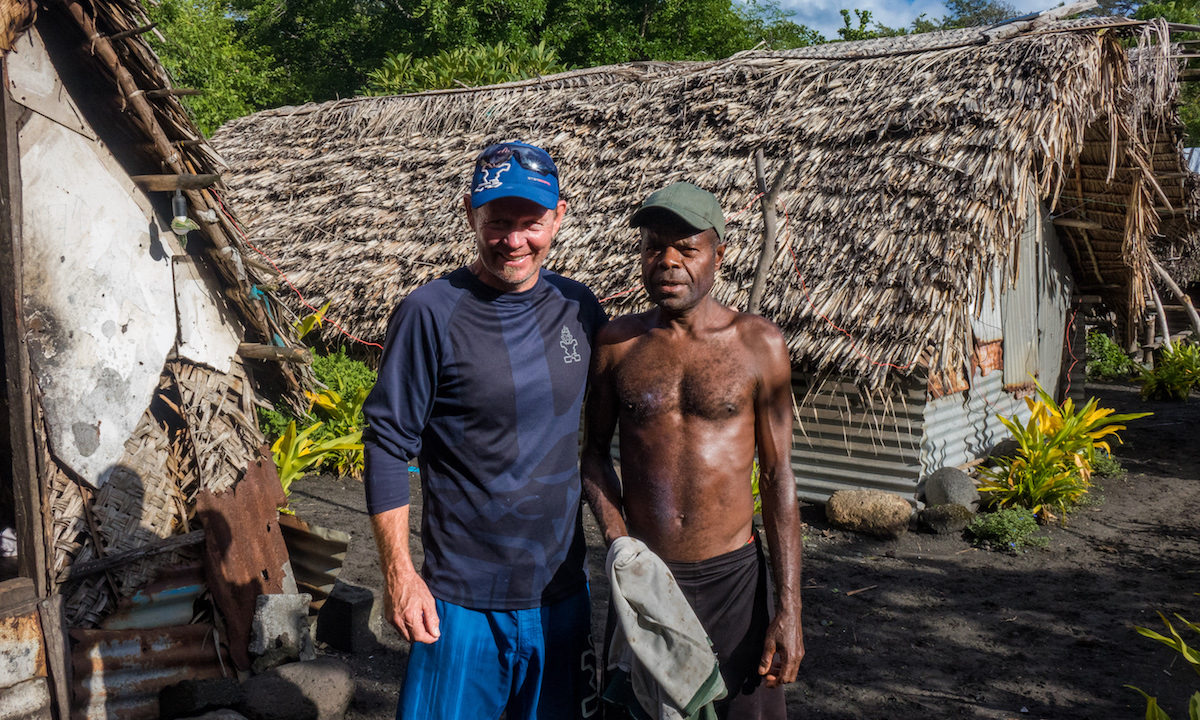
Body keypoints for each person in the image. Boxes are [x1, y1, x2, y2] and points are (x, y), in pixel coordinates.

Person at [364, 141, 606, 720]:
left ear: (559, 217)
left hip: (561, 594)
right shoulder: (430, 312)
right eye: (498, 222)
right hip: (461, 602)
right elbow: (386, 443)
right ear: (470, 212)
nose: (515, 240)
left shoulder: (579, 308)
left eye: (532, 223)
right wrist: (401, 575)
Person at [581, 181, 804, 720]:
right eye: (654, 245)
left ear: (718, 254)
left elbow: (777, 478)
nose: (668, 260)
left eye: (686, 247)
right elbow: (591, 453)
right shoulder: (616, 345)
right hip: (645, 579)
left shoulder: (759, 344)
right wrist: (618, 542)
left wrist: (789, 606)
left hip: (734, 582)